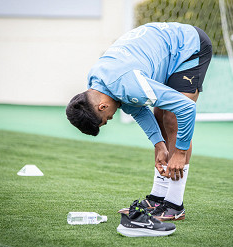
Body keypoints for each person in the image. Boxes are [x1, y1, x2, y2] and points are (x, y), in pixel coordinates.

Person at [66, 22, 212, 223]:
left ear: (102, 107)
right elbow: (137, 109)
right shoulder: (98, 83)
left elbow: (187, 108)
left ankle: (175, 205)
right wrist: (159, 145)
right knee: (159, 114)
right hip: (165, 51)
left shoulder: (126, 84)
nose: (109, 120)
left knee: (172, 117)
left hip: (187, 45)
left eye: (105, 121)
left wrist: (179, 152)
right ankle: (158, 198)